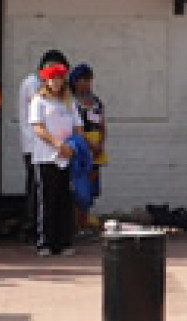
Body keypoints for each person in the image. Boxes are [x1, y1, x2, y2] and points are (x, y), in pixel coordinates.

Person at [28, 61, 82, 257]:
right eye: (53, 79)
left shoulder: (69, 102)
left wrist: (72, 144)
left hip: (66, 156)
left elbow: (78, 126)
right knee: (47, 200)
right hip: (46, 157)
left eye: (60, 78)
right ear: (46, 80)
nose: (57, 82)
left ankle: (64, 240)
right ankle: (45, 242)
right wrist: (56, 144)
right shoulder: (39, 101)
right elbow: (38, 127)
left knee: (64, 200)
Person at [18, 50, 68, 243]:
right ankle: (32, 230)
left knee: (55, 193)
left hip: (57, 150)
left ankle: (55, 233)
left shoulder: (64, 95)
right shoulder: (33, 85)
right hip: (36, 146)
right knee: (38, 193)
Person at [69, 63, 107, 233]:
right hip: (81, 146)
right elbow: (75, 128)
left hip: (96, 146)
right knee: (80, 187)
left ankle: (85, 221)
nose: (86, 84)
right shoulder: (71, 102)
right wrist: (89, 144)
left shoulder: (96, 101)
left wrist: (101, 143)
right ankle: (77, 224)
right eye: (82, 80)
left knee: (92, 185)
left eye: (89, 80)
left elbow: (102, 124)